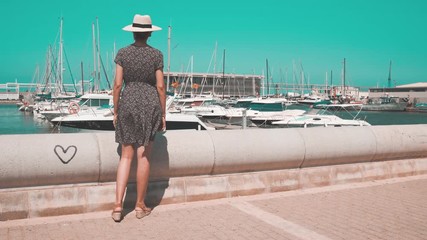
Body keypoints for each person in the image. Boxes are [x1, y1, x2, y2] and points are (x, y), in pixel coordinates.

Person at [111, 14, 166, 222]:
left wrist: (116, 111)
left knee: (125, 156)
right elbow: (160, 86)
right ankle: (140, 206)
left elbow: (117, 85)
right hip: (150, 103)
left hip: (128, 102)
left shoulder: (123, 53)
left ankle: (117, 207)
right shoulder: (156, 55)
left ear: (133, 32)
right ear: (150, 33)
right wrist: (163, 114)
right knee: (143, 155)